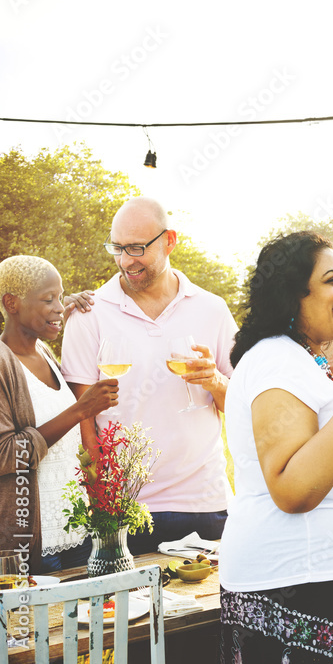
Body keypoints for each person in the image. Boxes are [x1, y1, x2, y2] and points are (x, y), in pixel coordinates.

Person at [220, 231, 333, 664]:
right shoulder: (274, 361)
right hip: (296, 583)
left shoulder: (299, 360)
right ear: (293, 294)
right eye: (331, 280)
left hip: (327, 578)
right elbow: (292, 488)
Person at [61, 197, 238, 554]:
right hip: (125, 511)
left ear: (170, 240)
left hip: (206, 504)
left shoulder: (213, 309)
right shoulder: (89, 314)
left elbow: (246, 404)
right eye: (118, 248)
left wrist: (215, 381)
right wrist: (102, 500)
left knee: (211, 609)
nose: (126, 261)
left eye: (138, 248)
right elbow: (83, 422)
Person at [0, 255, 117, 572]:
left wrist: (62, 311)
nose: (58, 305)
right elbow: (6, 452)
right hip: (35, 540)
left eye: (60, 295)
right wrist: (82, 409)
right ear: (12, 303)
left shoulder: (43, 352)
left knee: (88, 621)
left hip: (77, 529)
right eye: (47, 299)